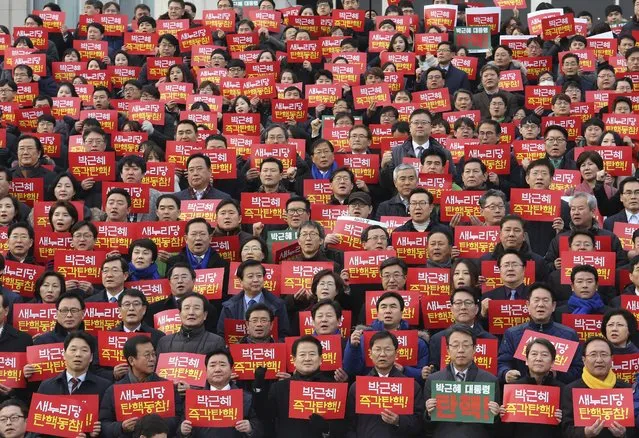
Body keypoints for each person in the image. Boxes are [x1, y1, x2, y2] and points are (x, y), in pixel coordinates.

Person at [425, 325, 501, 438]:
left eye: (466, 345)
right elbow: (425, 427)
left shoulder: (490, 381)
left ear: (475, 348)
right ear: (447, 349)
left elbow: (496, 430)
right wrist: (428, 414)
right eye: (455, 345)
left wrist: (495, 416)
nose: (460, 350)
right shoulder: (434, 380)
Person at [498, 283, 583, 384]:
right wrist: (506, 373)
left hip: (556, 392)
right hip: (521, 392)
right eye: (536, 300)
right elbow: (502, 362)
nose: (541, 304)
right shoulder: (512, 333)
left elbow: (578, 369)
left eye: (545, 300)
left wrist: (557, 375)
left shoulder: (569, 335)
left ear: (553, 306)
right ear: (528, 305)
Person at [346, 331, 424, 438]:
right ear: (370, 354)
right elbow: (349, 425)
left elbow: (419, 424)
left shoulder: (412, 387)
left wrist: (398, 421)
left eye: (387, 349)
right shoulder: (357, 387)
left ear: (396, 354)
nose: (382, 354)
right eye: (377, 349)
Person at [100, 336, 182, 438]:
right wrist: (121, 427)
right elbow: (103, 424)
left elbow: (178, 417)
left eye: (153, 354)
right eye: (147, 355)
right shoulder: (113, 390)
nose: (152, 359)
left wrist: (156, 424)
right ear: (131, 360)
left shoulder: (167, 387)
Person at [268, 336, 345, 438]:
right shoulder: (279, 388)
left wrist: (327, 429)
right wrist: (258, 390)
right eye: (302, 354)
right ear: (294, 360)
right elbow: (266, 418)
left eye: (312, 354)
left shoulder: (334, 388)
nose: (307, 358)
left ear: (320, 359)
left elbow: (343, 427)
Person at [344, 291, 429, 382]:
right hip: (370, 390)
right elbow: (351, 371)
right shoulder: (362, 339)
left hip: (402, 392)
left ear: (401, 312)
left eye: (393, 306)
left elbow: (423, 375)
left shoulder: (417, 342)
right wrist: (352, 347)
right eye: (383, 307)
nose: (388, 311)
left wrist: (405, 370)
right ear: (377, 313)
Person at [178, 349, 263, 437]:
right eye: (212, 365)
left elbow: (260, 429)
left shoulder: (246, 398)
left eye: (222, 365)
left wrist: (250, 428)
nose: (217, 369)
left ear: (231, 369)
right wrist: (183, 432)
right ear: (205, 371)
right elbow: (180, 430)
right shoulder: (194, 399)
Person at [562, 337, 634, 438]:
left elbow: (634, 427)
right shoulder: (571, 390)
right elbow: (565, 428)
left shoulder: (626, 389)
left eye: (604, 354)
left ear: (612, 359)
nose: (599, 360)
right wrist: (584, 433)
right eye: (593, 355)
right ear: (584, 360)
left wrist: (624, 434)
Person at [499, 338, 564, 438]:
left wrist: (562, 421)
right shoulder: (513, 389)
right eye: (534, 354)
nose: (538, 358)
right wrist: (502, 417)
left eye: (544, 355)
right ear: (526, 360)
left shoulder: (563, 390)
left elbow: (569, 430)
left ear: (553, 362)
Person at [428, 287, 496, 374]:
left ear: (476, 309)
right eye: (458, 303)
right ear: (451, 309)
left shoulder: (490, 340)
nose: (463, 307)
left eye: (468, 303)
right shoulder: (437, 339)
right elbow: (435, 371)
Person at [38, 331, 111, 411]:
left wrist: (101, 424)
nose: (78, 354)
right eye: (73, 349)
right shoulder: (47, 386)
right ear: (64, 354)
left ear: (91, 357)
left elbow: (106, 418)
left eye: (84, 350)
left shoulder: (104, 387)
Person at [217, 260, 290, 339]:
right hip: (239, 350)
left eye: (259, 276)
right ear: (240, 281)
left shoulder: (278, 304)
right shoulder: (229, 307)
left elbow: (284, 335)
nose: (256, 280)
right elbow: (222, 335)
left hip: (269, 349)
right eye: (250, 276)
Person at [156, 292, 225, 355]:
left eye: (196, 308)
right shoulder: (164, 342)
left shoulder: (216, 342)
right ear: (179, 314)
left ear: (205, 315)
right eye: (187, 308)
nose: (191, 312)